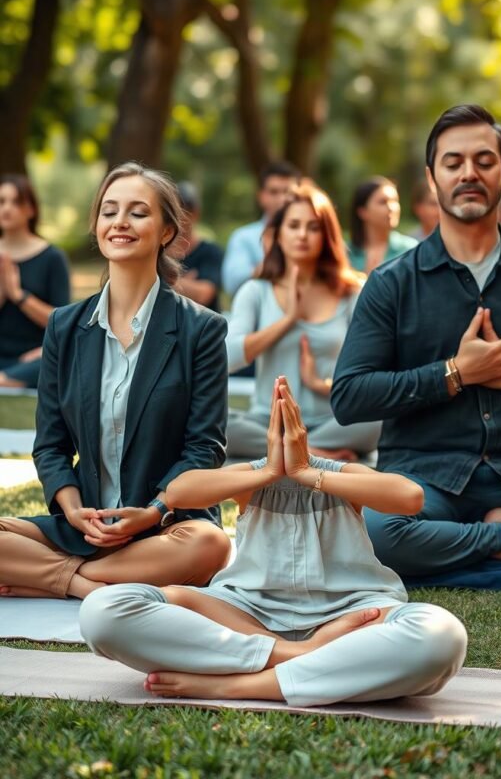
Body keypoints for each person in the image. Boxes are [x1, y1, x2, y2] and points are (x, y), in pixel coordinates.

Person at [79, 378, 467, 707]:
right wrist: (268, 471)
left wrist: (306, 472)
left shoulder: (340, 476)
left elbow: (410, 496)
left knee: (441, 637)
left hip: (350, 611)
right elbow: (180, 490)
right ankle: (300, 659)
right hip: (247, 611)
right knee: (103, 611)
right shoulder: (252, 478)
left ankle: (239, 684)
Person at [331, 104, 501, 576]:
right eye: (453, 163)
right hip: (423, 480)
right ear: (433, 179)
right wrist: (456, 374)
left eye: (484, 161)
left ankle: (500, 538)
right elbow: (349, 397)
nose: (469, 173)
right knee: (379, 531)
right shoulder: (392, 283)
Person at [0, 163, 230, 600]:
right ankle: (84, 582)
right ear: (98, 226)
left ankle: (52, 578)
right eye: (109, 211)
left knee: (212, 544)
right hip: (82, 527)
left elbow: (205, 449)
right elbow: (50, 445)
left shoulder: (202, 329)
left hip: (167, 525)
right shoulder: (64, 327)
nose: (120, 222)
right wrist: (72, 509)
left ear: (166, 231)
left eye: (138, 212)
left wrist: (154, 511)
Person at [225, 181, 381, 462]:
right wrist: (288, 319)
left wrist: (321, 384)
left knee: (380, 418)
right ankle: (313, 455)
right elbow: (230, 357)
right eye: (294, 225)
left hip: (334, 421)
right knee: (220, 424)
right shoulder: (256, 291)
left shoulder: (352, 293)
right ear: (278, 234)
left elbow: (373, 373)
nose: (302, 235)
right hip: (269, 423)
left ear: (326, 235)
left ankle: (290, 453)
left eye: (313, 227)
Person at [0, 174, 70, 389]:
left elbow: (63, 323)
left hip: (34, 358)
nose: (7, 208)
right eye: (2, 201)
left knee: (61, 359)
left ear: (31, 209)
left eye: (16, 202)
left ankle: (6, 381)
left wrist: (18, 295)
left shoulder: (52, 258)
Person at [222, 161, 301, 297]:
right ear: (261, 196)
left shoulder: (311, 234)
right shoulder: (243, 237)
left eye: (288, 191)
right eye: (274, 192)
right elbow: (232, 283)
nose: (282, 198)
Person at [348, 176, 417, 274]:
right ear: (362, 211)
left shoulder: (411, 250)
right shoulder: (346, 253)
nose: (391, 208)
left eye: (395, 201)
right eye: (383, 202)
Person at [174, 181, 224, 313]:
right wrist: (186, 284)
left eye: (185, 209)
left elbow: (204, 294)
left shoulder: (210, 251)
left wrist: (163, 281)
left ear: (196, 213)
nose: (180, 215)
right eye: (174, 209)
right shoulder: (157, 252)